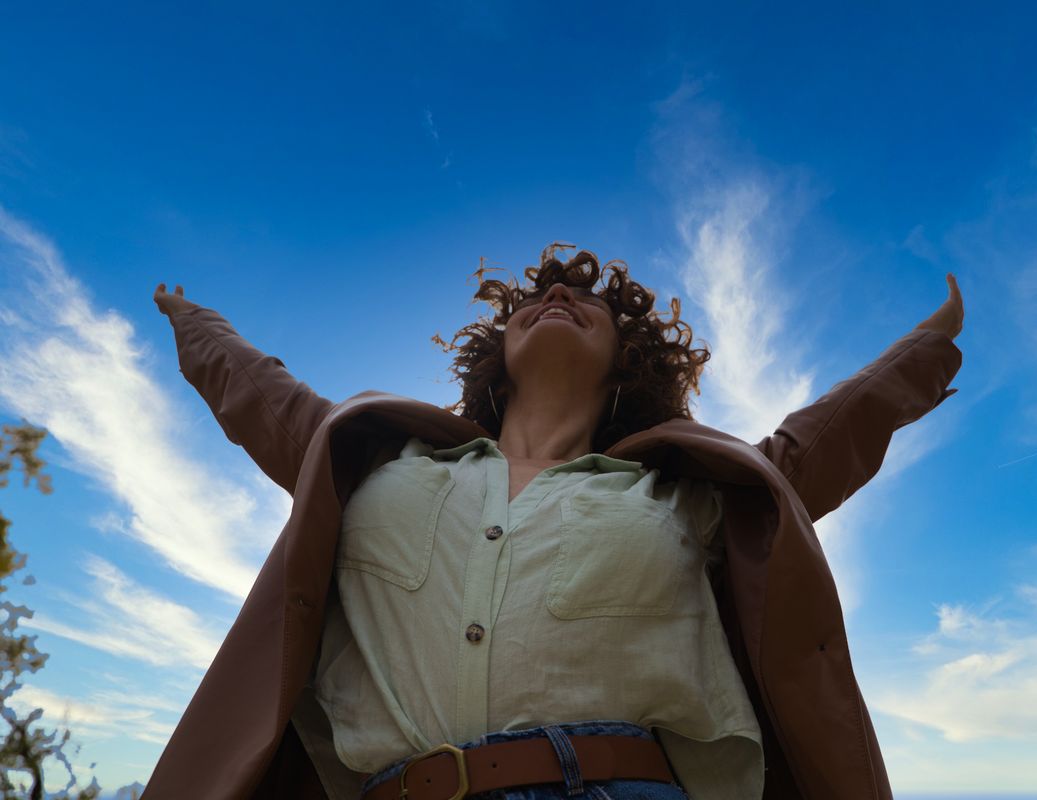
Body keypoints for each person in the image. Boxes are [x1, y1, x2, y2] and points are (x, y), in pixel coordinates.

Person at [144, 244, 964, 800]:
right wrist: (193, 323)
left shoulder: (684, 496)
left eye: (589, 304)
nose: (560, 296)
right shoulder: (374, 464)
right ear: (495, 355)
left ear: (627, 366)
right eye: (533, 300)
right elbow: (262, 394)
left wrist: (926, 351)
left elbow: (821, 440)